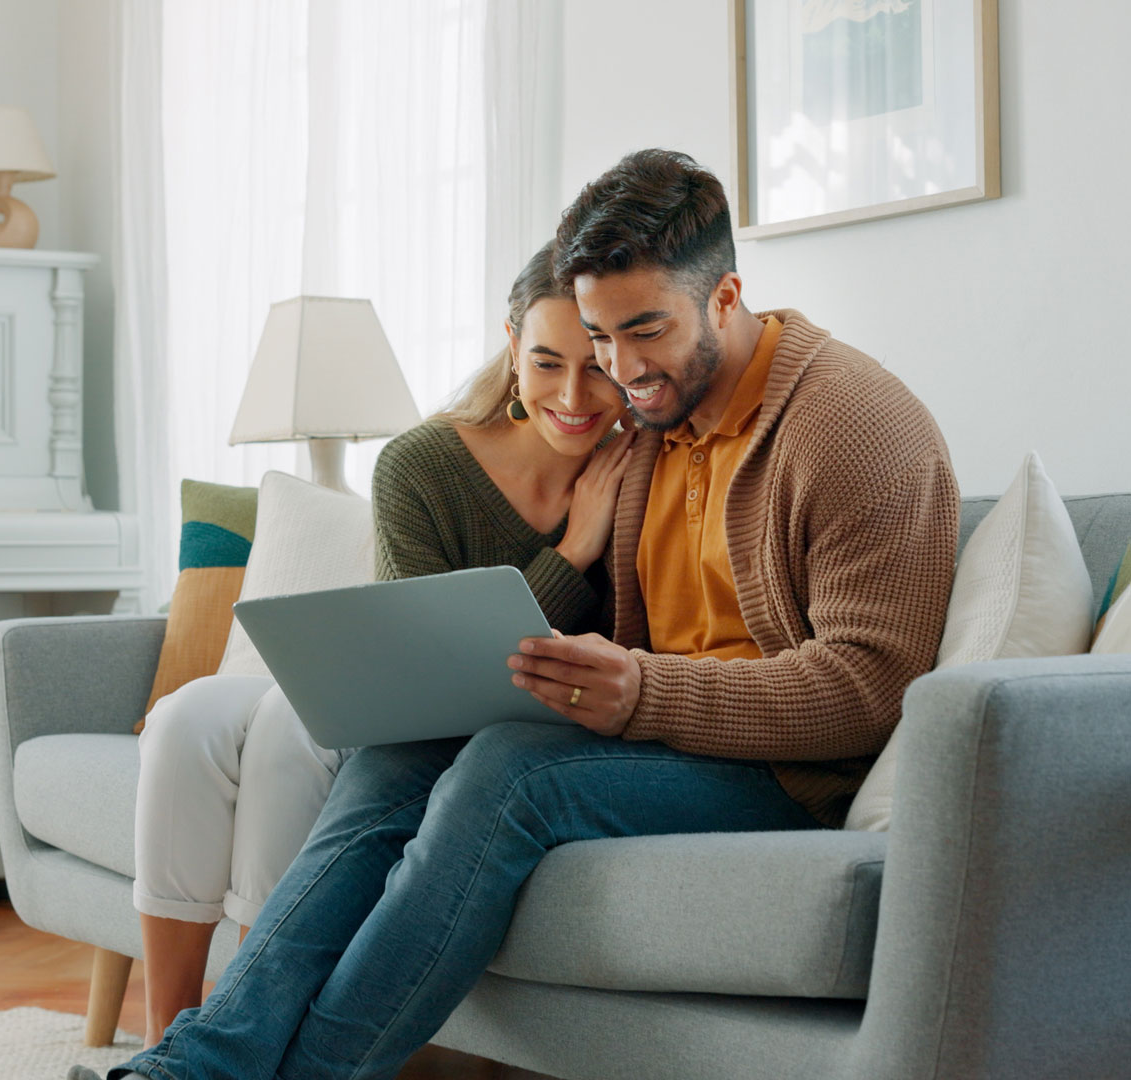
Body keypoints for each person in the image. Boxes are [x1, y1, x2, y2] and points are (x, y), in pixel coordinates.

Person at [79, 149, 957, 1080]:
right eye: (597, 336)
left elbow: (872, 689)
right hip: (667, 737)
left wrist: (643, 691)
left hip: (788, 771)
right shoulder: (654, 419)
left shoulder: (852, 426)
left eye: (643, 332)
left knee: (511, 771)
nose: (619, 372)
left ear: (727, 296)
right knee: (399, 753)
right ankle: (195, 1064)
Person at [124, 241, 632, 1047]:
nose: (573, 395)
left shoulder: (637, 473)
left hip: (452, 726)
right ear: (511, 349)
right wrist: (571, 555)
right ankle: (168, 1037)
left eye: (596, 366)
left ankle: (246, 1036)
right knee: (186, 719)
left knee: (292, 733)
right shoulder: (423, 463)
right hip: (394, 696)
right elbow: (421, 664)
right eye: (545, 363)